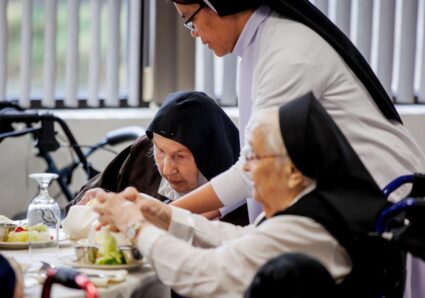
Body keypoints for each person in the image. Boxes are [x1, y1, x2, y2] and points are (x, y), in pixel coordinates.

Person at [93, 93, 404, 297]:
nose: (247, 172)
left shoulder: (307, 227)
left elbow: (200, 273)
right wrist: (167, 215)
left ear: (294, 172)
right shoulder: (320, 205)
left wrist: (135, 225)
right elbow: (243, 240)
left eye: (254, 160)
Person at [167, 0, 425, 223]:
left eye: (190, 19)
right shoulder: (261, 42)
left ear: (217, 4)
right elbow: (256, 166)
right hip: (348, 196)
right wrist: (197, 214)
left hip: (383, 197)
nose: (194, 33)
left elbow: (254, 169)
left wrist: (162, 212)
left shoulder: (288, 53)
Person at [67, 90, 247, 225]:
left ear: (209, 155)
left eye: (180, 157)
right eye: (160, 151)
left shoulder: (242, 196)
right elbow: (83, 200)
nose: (167, 169)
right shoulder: (143, 151)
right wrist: (101, 201)